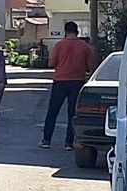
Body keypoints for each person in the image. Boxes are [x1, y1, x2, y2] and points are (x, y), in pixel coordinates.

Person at [40, 21, 95, 150]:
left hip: (60, 81)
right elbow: (90, 65)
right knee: (72, 113)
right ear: (77, 32)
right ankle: (69, 143)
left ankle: (46, 140)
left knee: (52, 111)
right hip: (77, 82)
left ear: (65, 32)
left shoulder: (59, 45)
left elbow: (51, 63)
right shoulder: (85, 47)